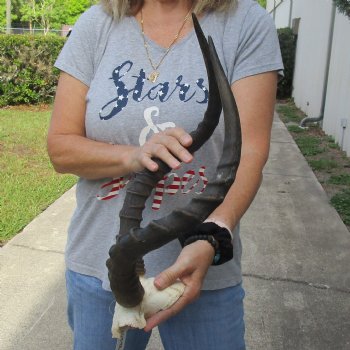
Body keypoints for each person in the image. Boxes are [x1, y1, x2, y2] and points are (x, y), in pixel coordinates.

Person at [47, 0, 283, 349]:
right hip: (100, 265)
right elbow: (61, 148)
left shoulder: (245, 23)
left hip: (202, 261)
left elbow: (249, 151)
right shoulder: (97, 23)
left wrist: (214, 234)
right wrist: (134, 156)